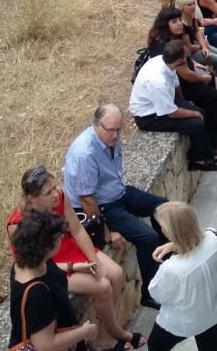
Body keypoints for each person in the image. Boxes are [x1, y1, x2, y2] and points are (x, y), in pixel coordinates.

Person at [7, 166, 145, 351]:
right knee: (103, 286)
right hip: (52, 262)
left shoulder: (60, 198)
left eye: (55, 187)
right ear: (31, 197)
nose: (56, 194)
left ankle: (105, 336)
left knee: (116, 273)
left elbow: (77, 230)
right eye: (48, 193)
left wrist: (92, 260)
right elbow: (31, 261)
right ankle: (118, 333)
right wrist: (76, 266)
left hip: (67, 248)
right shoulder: (19, 225)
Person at [63, 104, 168, 309]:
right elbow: (86, 200)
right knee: (148, 237)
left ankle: (166, 259)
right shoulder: (84, 153)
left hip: (118, 192)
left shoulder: (111, 140)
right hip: (103, 206)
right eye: (111, 130)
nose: (116, 135)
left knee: (165, 209)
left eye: (119, 129)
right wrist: (107, 232)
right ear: (96, 125)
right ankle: (149, 293)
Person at [129, 38, 217, 172]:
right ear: (180, 61)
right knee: (196, 122)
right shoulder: (157, 81)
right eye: (186, 56)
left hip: (163, 103)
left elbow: (176, 86)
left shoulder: (165, 62)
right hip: (148, 116)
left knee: (201, 112)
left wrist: (185, 104)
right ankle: (199, 160)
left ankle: (206, 151)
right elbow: (170, 113)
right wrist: (194, 113)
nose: (188, 57)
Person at [7, 210, 98, 350]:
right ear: (45, 248)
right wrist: (84, 332)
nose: (62, 236)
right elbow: (45, 345)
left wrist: (73, 267)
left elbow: (49, 273)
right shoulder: (37, 295)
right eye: (57, 237)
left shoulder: (27, 262)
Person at [147, 202, 217, 351]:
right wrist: (173, 245)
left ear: (171, 232)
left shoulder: (171, 268)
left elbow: (157, 294)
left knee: (156, 345)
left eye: (163, 227)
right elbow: (202, 234)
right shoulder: (213, 238)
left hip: (183, 322)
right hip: (214, 312)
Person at [147, 7, 217, 120]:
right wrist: (203, 78)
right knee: (213, 95)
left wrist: (194, 63)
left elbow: (186, 55)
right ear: (165, 25)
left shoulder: (173, 35)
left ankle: (214, 121)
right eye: (174, 22)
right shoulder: (164, 45)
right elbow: (185, 74)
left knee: (210, 78)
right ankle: (213, 126)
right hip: (176, 85)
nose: (179, 24)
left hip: (180, 78)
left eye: (179, 20)